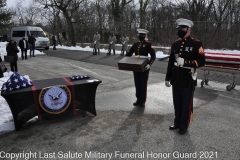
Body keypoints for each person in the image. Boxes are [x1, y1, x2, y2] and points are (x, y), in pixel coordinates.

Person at [165, 18, 205, 135]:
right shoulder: (175, 44)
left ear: (188, 29)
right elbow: (170, 62)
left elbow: (202, 61)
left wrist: (186, 62)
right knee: (177, 102)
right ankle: (177, 122)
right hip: (176, 79)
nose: (180, 30)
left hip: (188, 79)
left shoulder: (196, 43)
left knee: (186, 104)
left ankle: (183, 125)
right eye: (179, 29)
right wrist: (167, 78)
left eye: (182, 28)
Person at [125, 29, 156, 107]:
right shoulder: (135, 44)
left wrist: (149, 64)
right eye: (139, 35)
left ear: (145, 36)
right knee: (137, 83)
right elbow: (129, 53)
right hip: (136, 66)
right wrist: (124, 58)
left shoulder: (148, 44)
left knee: (143, 84)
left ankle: (142, 101)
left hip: (144, 66)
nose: (140, 36)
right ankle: (138, 99)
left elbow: (153, 56)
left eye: (142, 35)